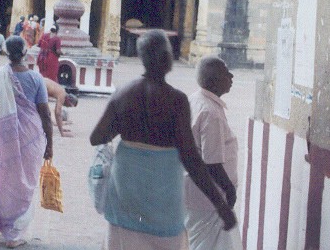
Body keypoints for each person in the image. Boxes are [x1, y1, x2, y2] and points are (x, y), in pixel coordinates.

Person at [89, 29, 236, 249]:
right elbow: (191, 159)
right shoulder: (176, 100)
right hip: (164, 195)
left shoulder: (124, 93)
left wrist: (124, 123)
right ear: (167, 59)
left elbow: (96, 137)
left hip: (126, 191)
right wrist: (221, 205)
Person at [0, 36, 53, 248]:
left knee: (2, 179)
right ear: (25, 53)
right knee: (23, 183)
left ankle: (2, 224)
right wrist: (50, 145)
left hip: (2, 137)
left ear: (5, 54)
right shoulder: (36, 79)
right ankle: (15, 232)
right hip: (31, 138)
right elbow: (45, 114)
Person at [184, 57, 243, 250]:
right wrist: (229, 190)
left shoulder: (196, 100)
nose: (231, 76)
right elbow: (212, 163)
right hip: (208, 197)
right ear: (214, 81)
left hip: (193, 192)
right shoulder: (211, 112)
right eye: (226, 72)